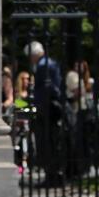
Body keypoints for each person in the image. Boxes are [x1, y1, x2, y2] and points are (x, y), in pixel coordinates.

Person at [25, 41, 64, 187]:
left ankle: (51, 176)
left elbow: (46, 89)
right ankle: (54, 174)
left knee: (46, 143)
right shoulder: (51, 63)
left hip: (45, 110)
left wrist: (36, 106)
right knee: (52, 142)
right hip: (50, 108)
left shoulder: (43, 66)